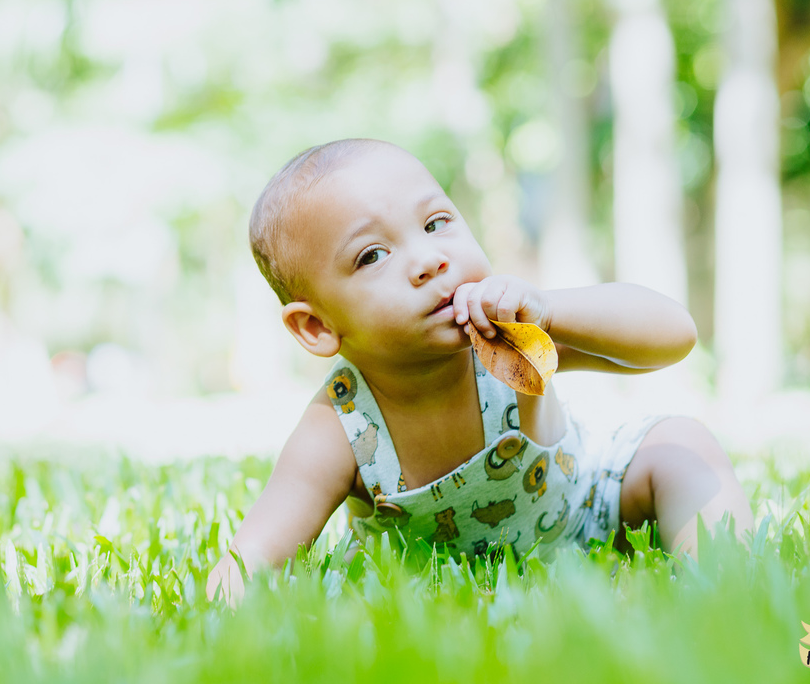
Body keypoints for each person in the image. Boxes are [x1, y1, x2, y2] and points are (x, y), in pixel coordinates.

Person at [206, 138, 755, 606]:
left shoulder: (505, 334)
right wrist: (224, 606)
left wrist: (551, 310)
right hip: (432, 582)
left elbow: (673, 335)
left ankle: (724, 592)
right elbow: (255, 556)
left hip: (585, 514)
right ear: (315, 327)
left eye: (436, 222)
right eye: (372, 255)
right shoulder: (341, 425)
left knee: (681, 443)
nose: (429, 259)